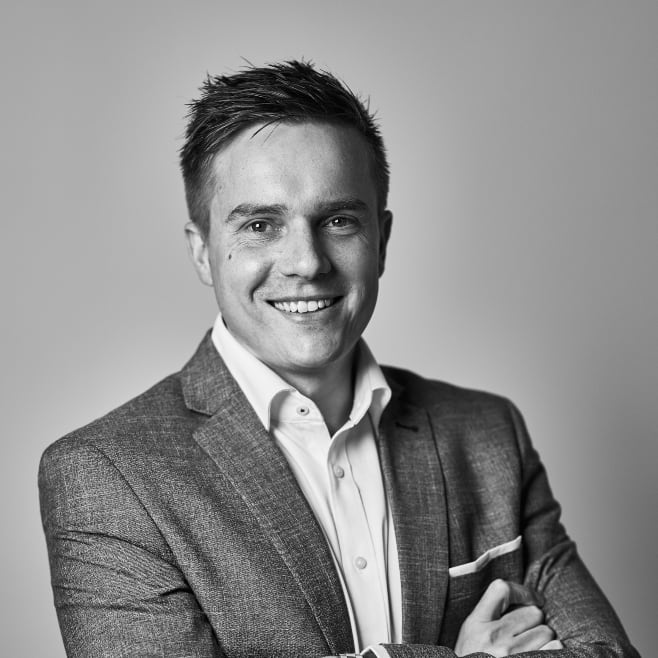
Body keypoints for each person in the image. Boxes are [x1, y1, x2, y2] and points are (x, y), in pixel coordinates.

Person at [39, 61, 639, 658]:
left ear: (382, 242)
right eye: (260, 225)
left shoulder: (489, 434)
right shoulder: (108, 475)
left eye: (338, 221)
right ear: (202, 252)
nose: (307, 262)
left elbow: (605, 653)